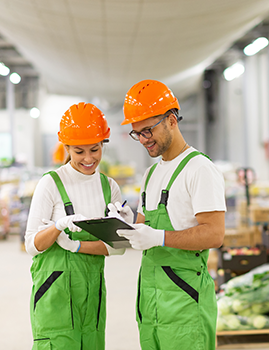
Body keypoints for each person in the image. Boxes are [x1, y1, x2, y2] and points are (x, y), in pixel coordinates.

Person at [115, 79, 226, 350]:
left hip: (185, 303)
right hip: (150, 301)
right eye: (137, 133)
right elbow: (142, 232)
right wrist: (121, 224)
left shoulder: (199, 169)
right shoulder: (151, 174)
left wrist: (160, 237)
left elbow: (214, 233)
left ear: (171, 120)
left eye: (148, 130)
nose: (143, 139)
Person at [24, 102, 131, 349]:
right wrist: (57, 228)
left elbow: (117, 248)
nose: (88, 158)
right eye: (79, 151)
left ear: (103, 144)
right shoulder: (51, 184)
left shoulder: (109, 187)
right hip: (56, 288)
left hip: (93, 288)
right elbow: (31, 245)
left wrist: (76, 246)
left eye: (94, 149)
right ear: (67, 148)